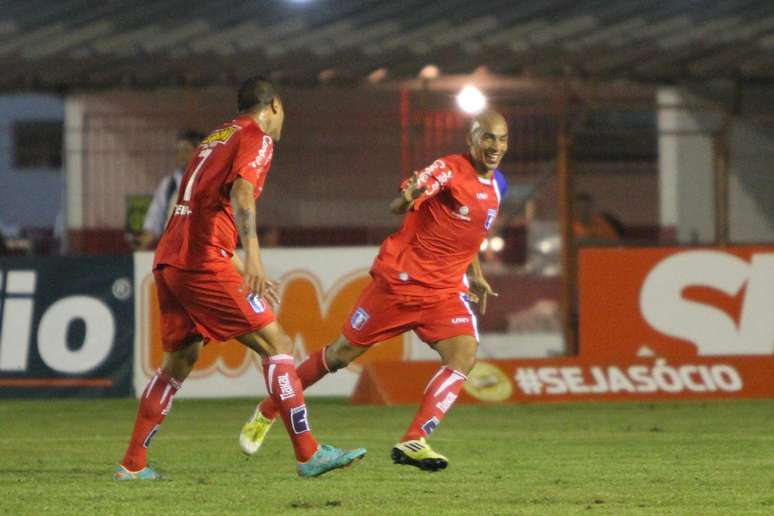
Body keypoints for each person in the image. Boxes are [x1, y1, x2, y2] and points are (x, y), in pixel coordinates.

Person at [114, 76, 366, 481]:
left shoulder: (215, 137)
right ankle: (308, 453)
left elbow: (204, 206)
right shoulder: (257, 137)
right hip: (202, 261)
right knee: (277, 344)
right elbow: (243, 194)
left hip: (171, 260)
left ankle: (132, 464)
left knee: (178, 363)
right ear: (275, 107)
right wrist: (252, 259)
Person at [239, 111, 509, 472]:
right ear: (471, 140)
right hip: (400, 285)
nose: (495, 146)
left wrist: (474, 272)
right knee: (339, 355)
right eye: (488, 138)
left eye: (502, 139)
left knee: (463, 355)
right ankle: (269, 408)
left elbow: (469, 233)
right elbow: (400, 202)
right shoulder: (448, 169)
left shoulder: (498, 186)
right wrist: (408, 195)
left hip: (443, 293)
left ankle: (415, 440)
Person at [133, 130, 205, 250]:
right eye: (179, 151)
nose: (181, 156)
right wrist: (145, 238)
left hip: (204, 249)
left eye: (186, 150)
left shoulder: (211, 181)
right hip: (174, 251)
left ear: (200, 152)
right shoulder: (169, 185)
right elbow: (155, 216)